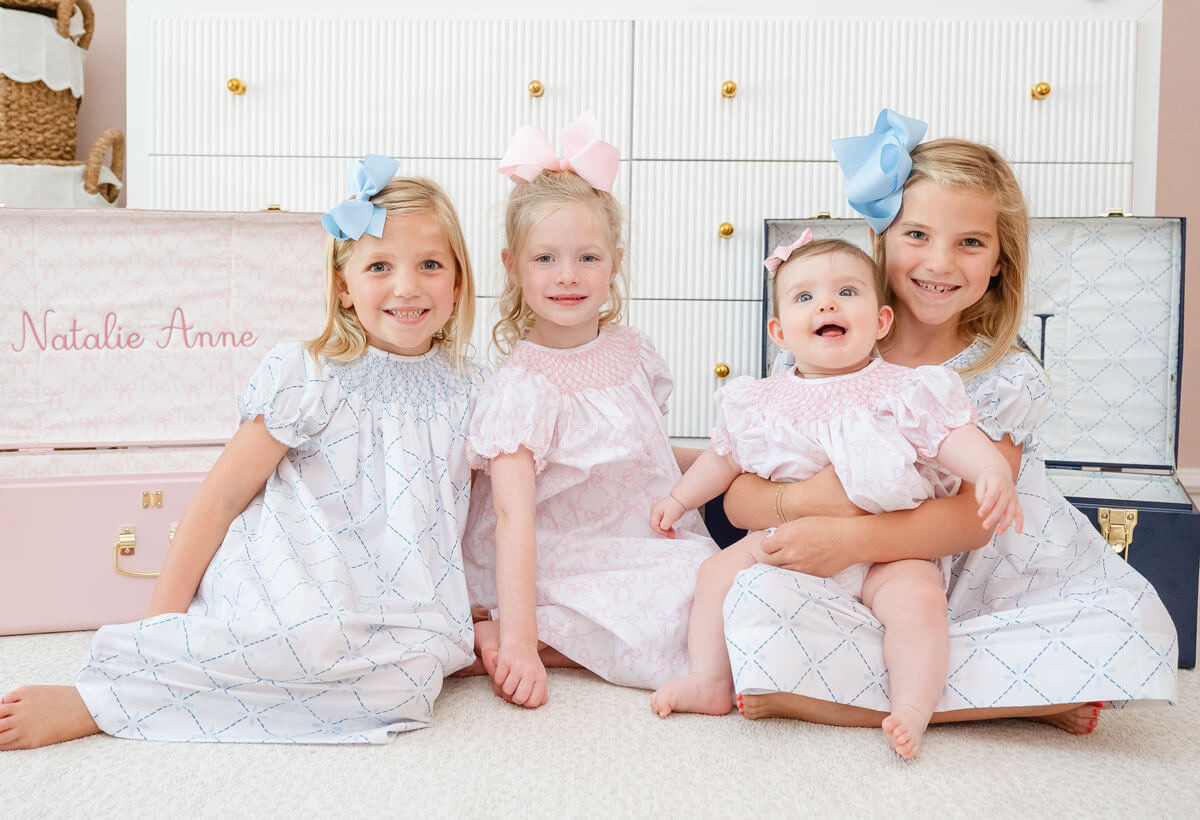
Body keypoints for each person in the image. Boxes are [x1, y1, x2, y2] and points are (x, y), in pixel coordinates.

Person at [720, 110, 1178, 740]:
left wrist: (851, 539)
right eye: (917, 235)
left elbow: (970, 520)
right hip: (855, 577)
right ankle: (1016, 696)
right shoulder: (820, 350)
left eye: (970, 242)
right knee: (752, 604)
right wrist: (804, 503)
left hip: (989, 574)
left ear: (998, 262)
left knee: (1134, 624)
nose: (939, 262)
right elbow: (741, 494)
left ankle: (832, 697)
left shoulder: (1006, 375)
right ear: (882, 239)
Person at [0, 158, 482, 747]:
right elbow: (220, 496)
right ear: (344, 288)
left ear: (457, 283)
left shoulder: (475, 391)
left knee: (406, 688)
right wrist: (160, 629)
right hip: (297, 566)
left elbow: (485, 513)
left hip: (401, 602)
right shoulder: (309, 374)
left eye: (430, 265)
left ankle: (145, 692)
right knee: (306, 642)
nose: (407, 286)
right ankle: (108, 696)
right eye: (380, 266)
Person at [649, 233, 1021, 757]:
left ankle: (912, 706)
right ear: (780, 332)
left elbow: (951, 435)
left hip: (888, 548)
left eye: (847, 292)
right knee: (715, 575)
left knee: (919, 601)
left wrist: (988, 469)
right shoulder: (760, 399)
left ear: (881, 321)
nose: (826, 304)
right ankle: (709, 681)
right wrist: (681, 499)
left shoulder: (904, 389)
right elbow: (724, 458)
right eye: (804, 297)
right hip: (790, 540)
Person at [461, 112, 718, 708]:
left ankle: (534, 633)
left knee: (716, 587)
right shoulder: (522, 387)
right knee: (675, 610)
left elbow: (642, 450)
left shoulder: (633, 353)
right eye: (545, 259)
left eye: (588, 258)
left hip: (638, 535)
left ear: (615, 262)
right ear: (512, 267)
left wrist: (727, 461)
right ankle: (517, 633)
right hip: (554, 547)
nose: (568, 277)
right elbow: (511, 517)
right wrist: (521, 643)